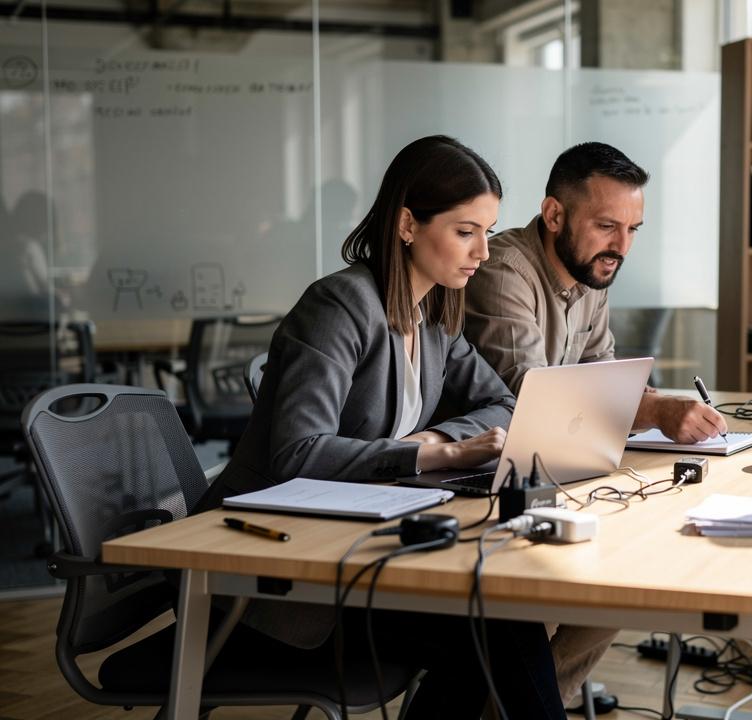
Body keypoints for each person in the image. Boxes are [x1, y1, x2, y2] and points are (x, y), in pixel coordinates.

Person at [194, 135, 565, 719]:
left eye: (488, 231)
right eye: (466, 231)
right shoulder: (339, 307)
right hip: (267, 570)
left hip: (349, 545)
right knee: (498, 630)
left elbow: (502, 401)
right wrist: (431, 457)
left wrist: (433, 439)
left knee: (499, 624)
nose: (484, 252)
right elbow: (297, 453)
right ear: (407, 224)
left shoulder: (434, 314)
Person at [463, 141, 729, 705]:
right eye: (608, 226)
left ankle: (538, 703)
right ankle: (525, 703)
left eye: (633, 229)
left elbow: (603, 374)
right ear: (554, 214)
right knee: (609, 570)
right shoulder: (505, 271)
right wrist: (654, 409)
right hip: (485, 486)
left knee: (636, 566)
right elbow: (532, 394)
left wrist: (654, 404)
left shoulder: (589, 272)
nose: (622, 246)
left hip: (555, 471)